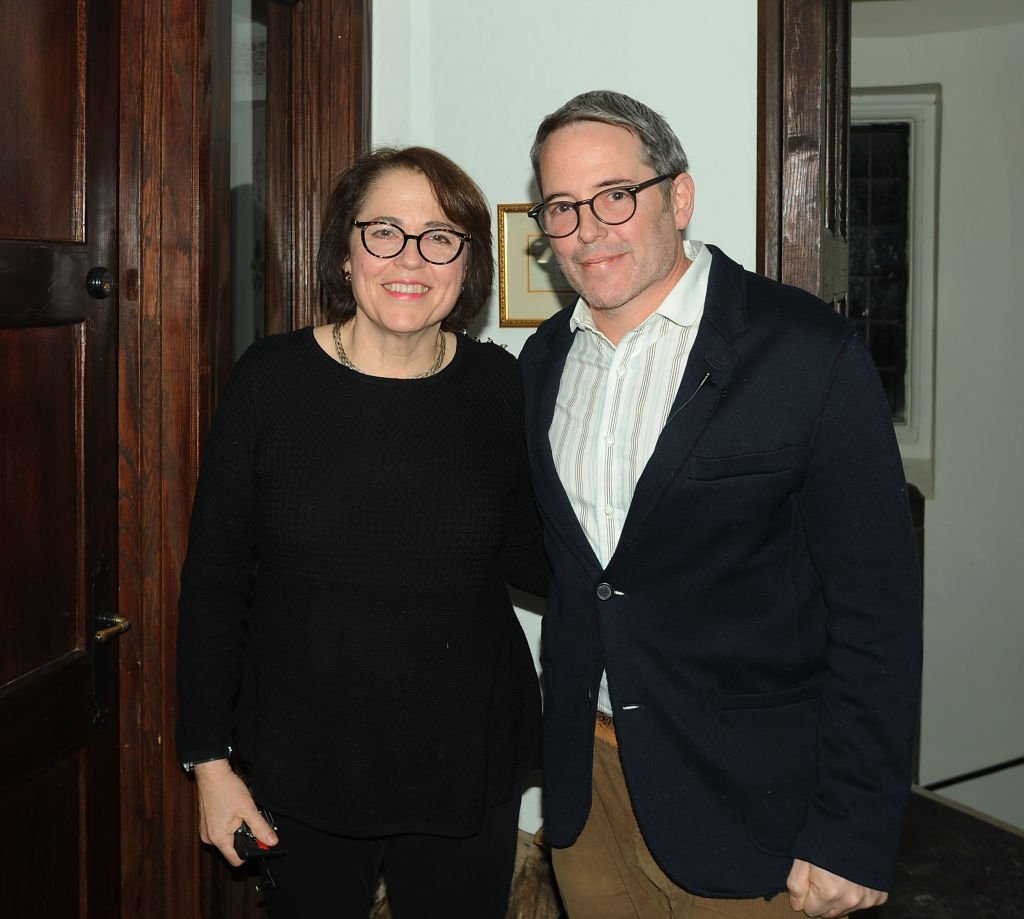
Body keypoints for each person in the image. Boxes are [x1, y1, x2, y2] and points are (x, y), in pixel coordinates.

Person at [519, 90, 922, 919]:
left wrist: (855, 826)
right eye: (562, 206)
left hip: (757, 813)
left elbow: (876, 612)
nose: (588, 227)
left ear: (679, 196)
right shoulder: (542, 360)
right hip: (590, 796)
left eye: (614, 195)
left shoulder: (808, 351)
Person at [176, 146, 548, 919]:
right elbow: (213, 578)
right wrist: (209, 762)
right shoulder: (269, 382)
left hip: (463, 760)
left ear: (466, 262)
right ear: (345, 251)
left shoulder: (499, 386)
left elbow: (533, 554)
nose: (411, 258)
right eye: (385, 232)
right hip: (303, 760)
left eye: (440, 236)